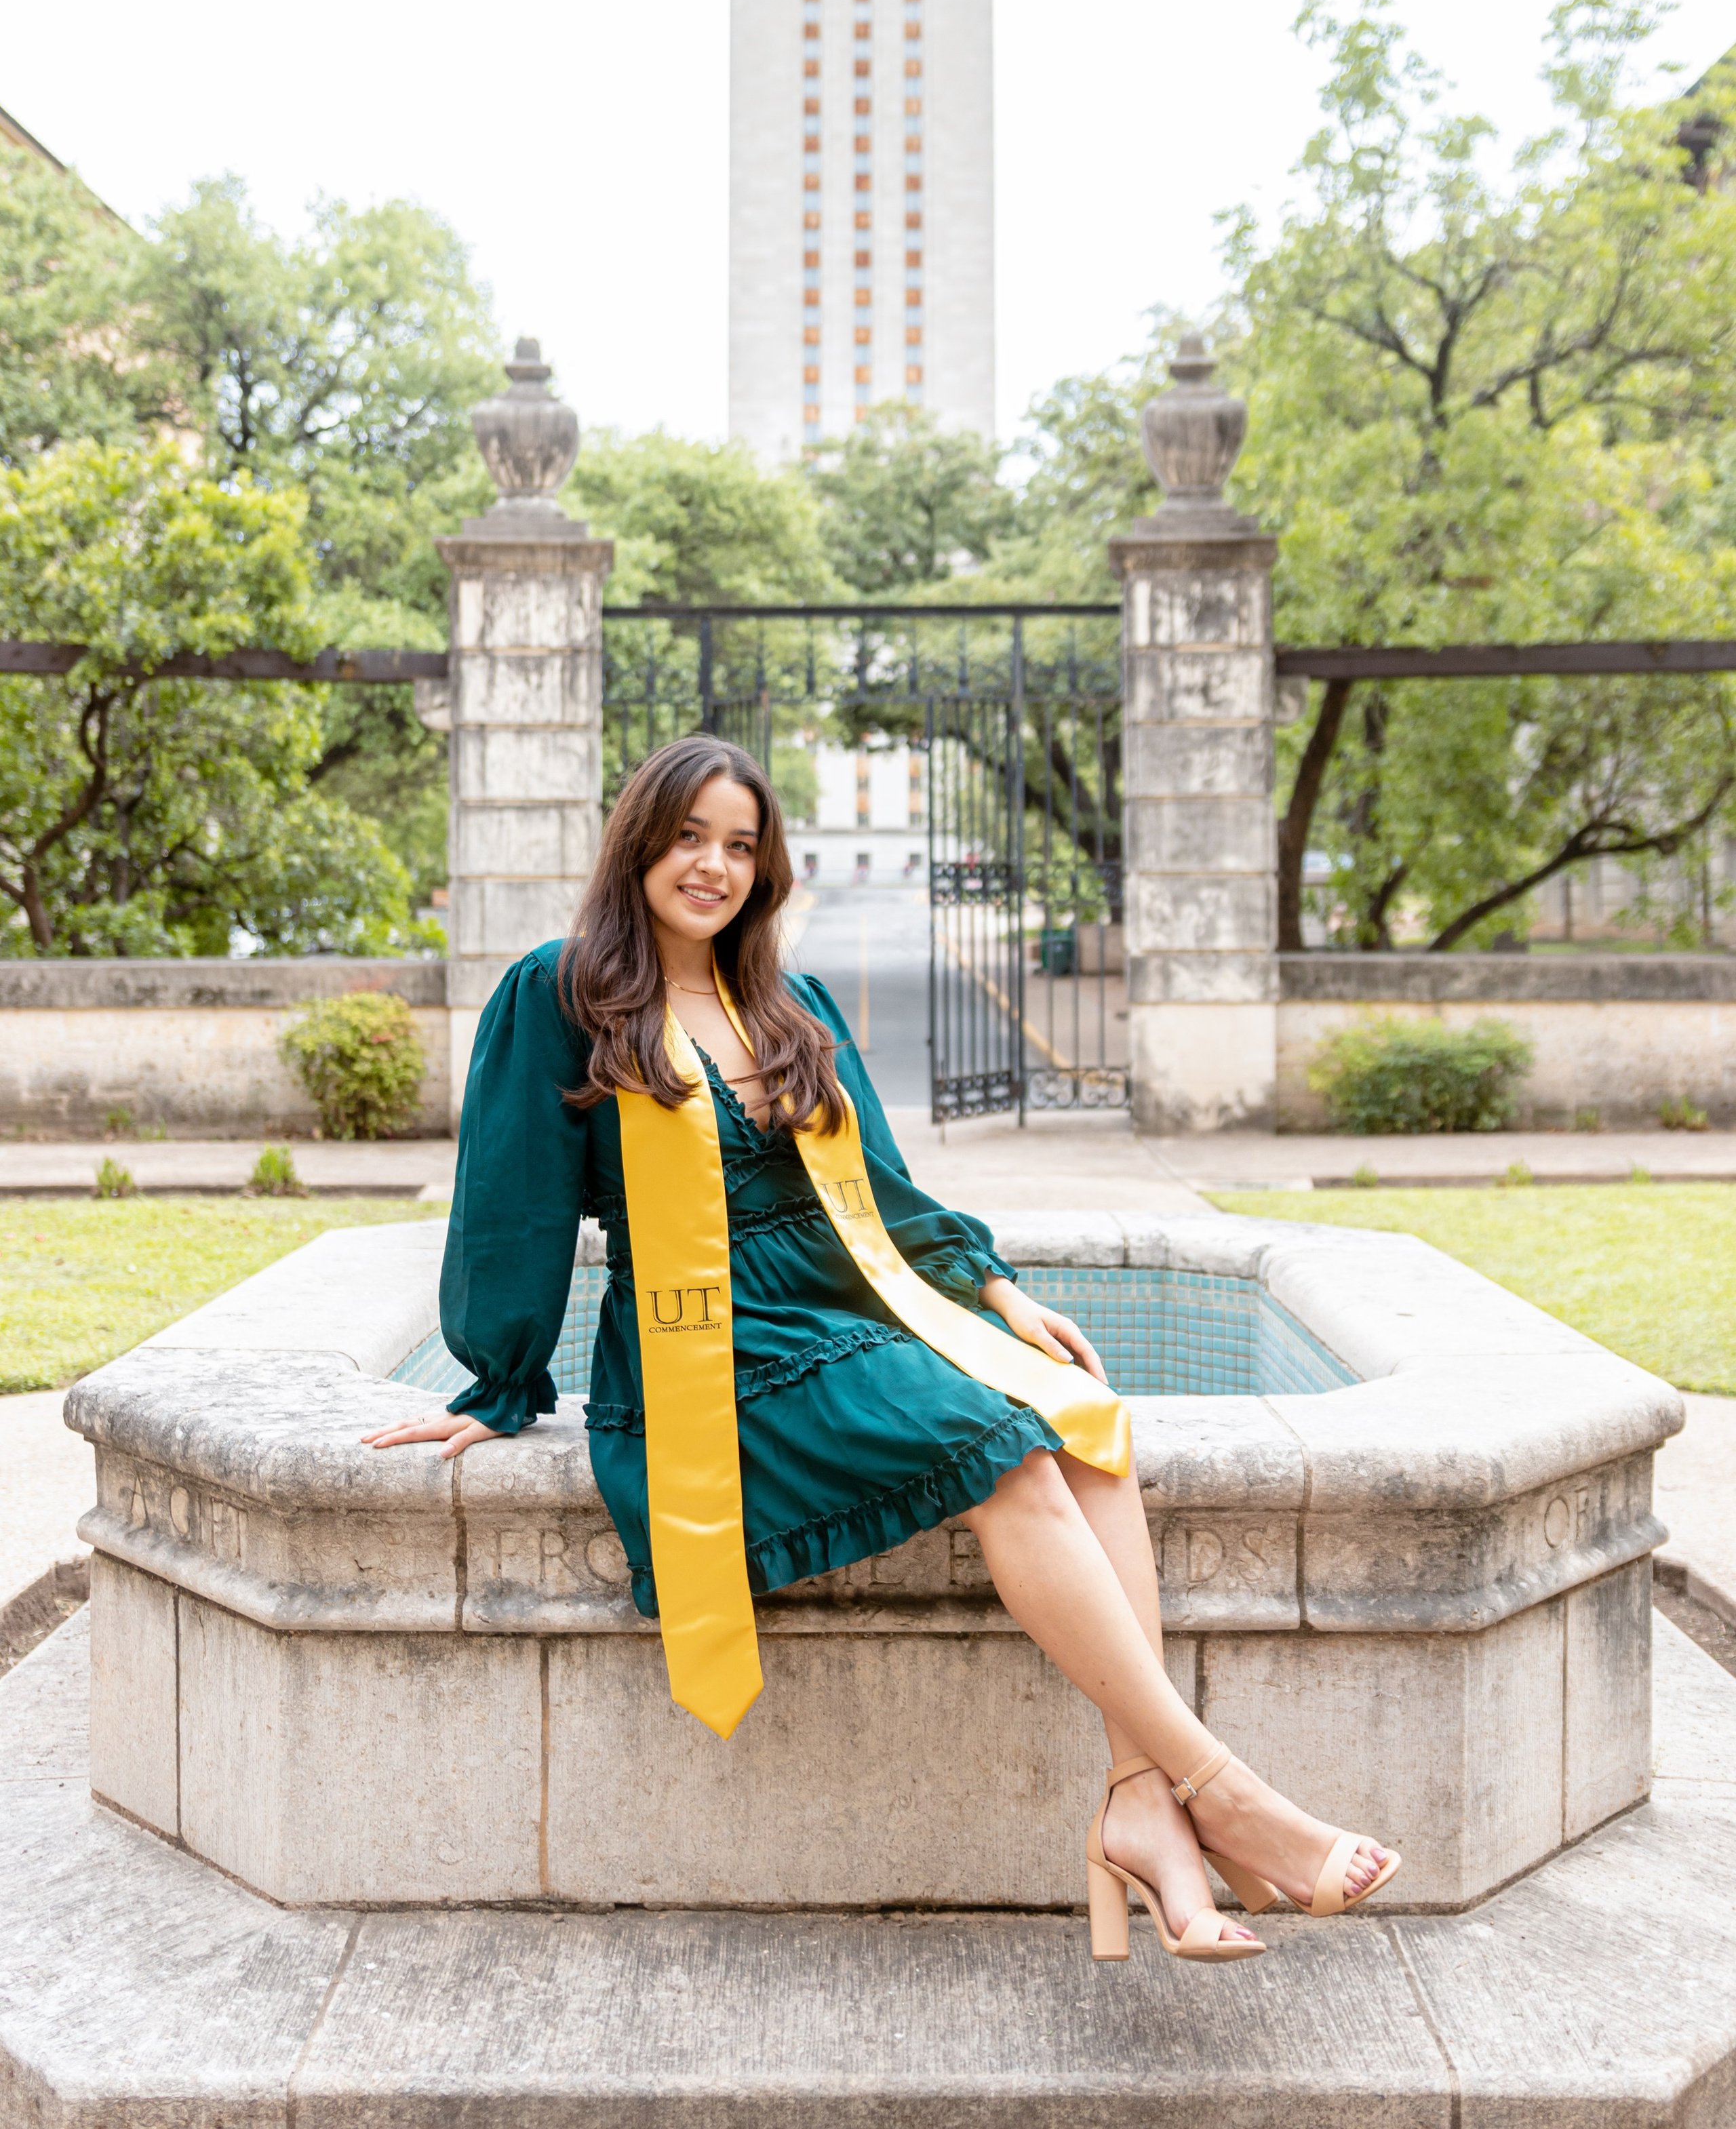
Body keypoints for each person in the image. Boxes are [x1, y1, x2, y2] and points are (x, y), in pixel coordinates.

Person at [364, 734, 1398, 1962]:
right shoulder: (561, 991)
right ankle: (1228, 1795)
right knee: (1003, 1451)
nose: (714, 865)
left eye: (741, 844)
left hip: (845, 1306)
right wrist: (502, 1375)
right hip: (717, 1347)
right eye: (690, 836)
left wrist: (993, 1287)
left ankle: (1141, 1803)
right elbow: (514, 1200)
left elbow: (884, 1192)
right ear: (639, 838)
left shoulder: (792, 1003)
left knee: (1078, 1416)